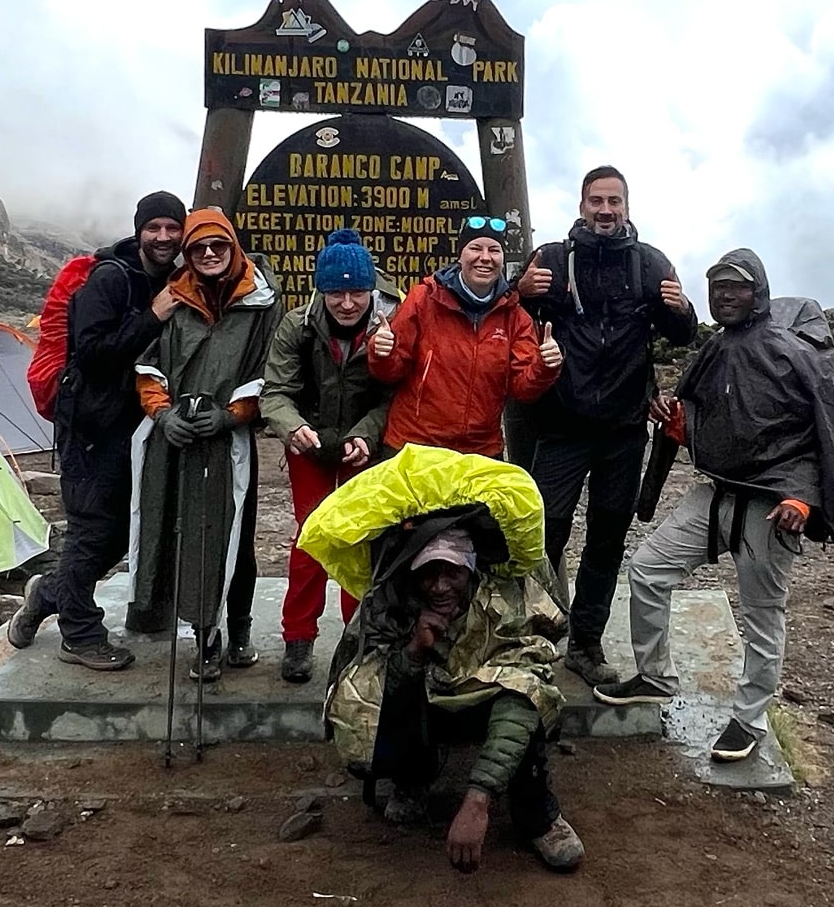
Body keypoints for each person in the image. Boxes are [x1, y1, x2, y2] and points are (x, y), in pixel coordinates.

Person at [594, 249, 834, 761]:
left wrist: (803, 497)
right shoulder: (718, 348)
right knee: (648, 568)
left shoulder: (794, 354)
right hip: (715, 492)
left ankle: (750, 719)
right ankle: (654, 676)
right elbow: (710, 410)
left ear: (757, 292)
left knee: (762, 614)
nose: (726, 295)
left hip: (772, 506)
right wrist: (679, 419)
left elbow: (827, 434)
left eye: (737, 287)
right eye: (718, 286)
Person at [299, 444, 584, 874]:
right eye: (427, 573)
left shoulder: (508, 598)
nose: (438, 586)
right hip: (429, 704)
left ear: (471, 568)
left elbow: (528, 686)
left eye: (450, 571)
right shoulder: (389, 604)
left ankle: (536, 813)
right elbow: (356, 693)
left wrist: (477, 800)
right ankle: (414, 779)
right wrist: (414, 653)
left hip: (486, 701)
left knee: (525, 700)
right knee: (380, 700)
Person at [514, 166, 698, 686]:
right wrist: (520, 288)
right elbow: (507, 314)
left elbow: (681, 334)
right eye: (597, 200)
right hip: (561, 424)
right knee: (545, 529)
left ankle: (587, 642)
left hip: (622, 429)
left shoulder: (649, 264)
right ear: (581, 205)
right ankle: (540, 632)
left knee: (607, 535)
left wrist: (683, 310)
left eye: (614, 201)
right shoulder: (551, 260)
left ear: (627, 207)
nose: (605, 210)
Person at [7, 191, 186, 670]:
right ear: (139, 231)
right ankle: (80, 635)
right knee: (93, 531)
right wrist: (154, 316)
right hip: (89, 427)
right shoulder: (110, 279)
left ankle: (48, 594)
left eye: (172, 227)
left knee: (119, 534)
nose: (163, 237)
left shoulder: (172, 279)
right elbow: (92, 354)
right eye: (155, 228)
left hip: (133, 429)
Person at [127, 209, 281, 680]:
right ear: (189, 254)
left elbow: (271, 369)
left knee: (235, 534)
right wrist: (162, 413)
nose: (209, 254)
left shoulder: (262, 301)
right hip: (178, 439)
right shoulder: (174, 299)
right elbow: (148, 365)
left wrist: (234, 414)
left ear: (233, 246)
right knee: (189, 534)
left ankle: (239, 631)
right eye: (199, 248)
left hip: (229, 439)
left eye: (218, 246)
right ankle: (205, 636)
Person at [259, 228, 402, 684]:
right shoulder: (296, 325)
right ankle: (298, 637)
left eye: (356, 291)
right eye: (336, 292)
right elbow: (276, 391)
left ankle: (357, 636)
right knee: (312, 541)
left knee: (360, 542)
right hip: (310, 445)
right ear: (321, 290)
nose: (346, 303)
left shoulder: (388, 328)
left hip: (364, 448)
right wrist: (293, 427)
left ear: (370, 289)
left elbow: (392, 396)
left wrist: (366, 436)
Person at [369, 215, 563, 457]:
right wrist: (381, 351)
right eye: (475, 248)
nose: (485, 257)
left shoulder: (515, 316)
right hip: (414, 447)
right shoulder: (423, 299)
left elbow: (522, 388)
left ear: (502, 259)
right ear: (460, 255)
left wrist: (545, 366)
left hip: (479, 453)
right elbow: (390, 373)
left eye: (494, 250)